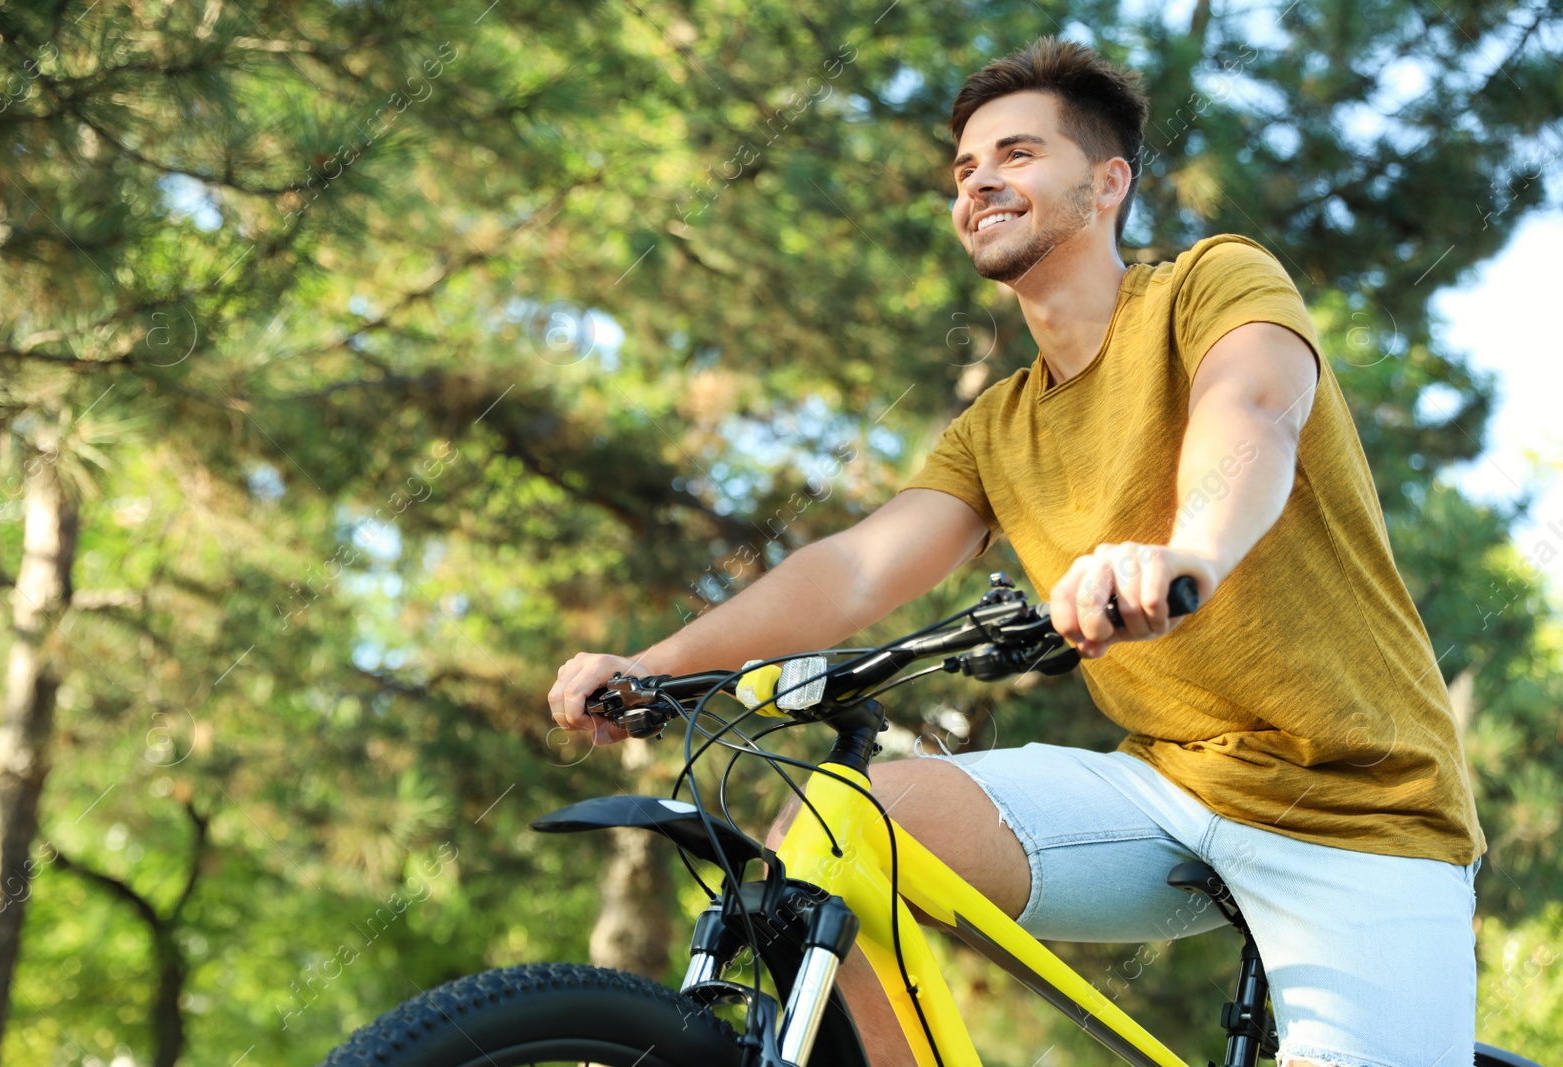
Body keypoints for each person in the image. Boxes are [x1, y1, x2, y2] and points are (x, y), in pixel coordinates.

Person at [549, 36, 1486, 1067]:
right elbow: (856, 568)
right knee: (836, 831)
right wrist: (657, 666)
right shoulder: (996, 429)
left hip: (1361, 810)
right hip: (1166, 791)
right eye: (963, 168)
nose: (980, 179)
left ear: (1108, 180)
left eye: (1018, 154)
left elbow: (1253, 409)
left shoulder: (1207, 285)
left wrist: (1189, 552)